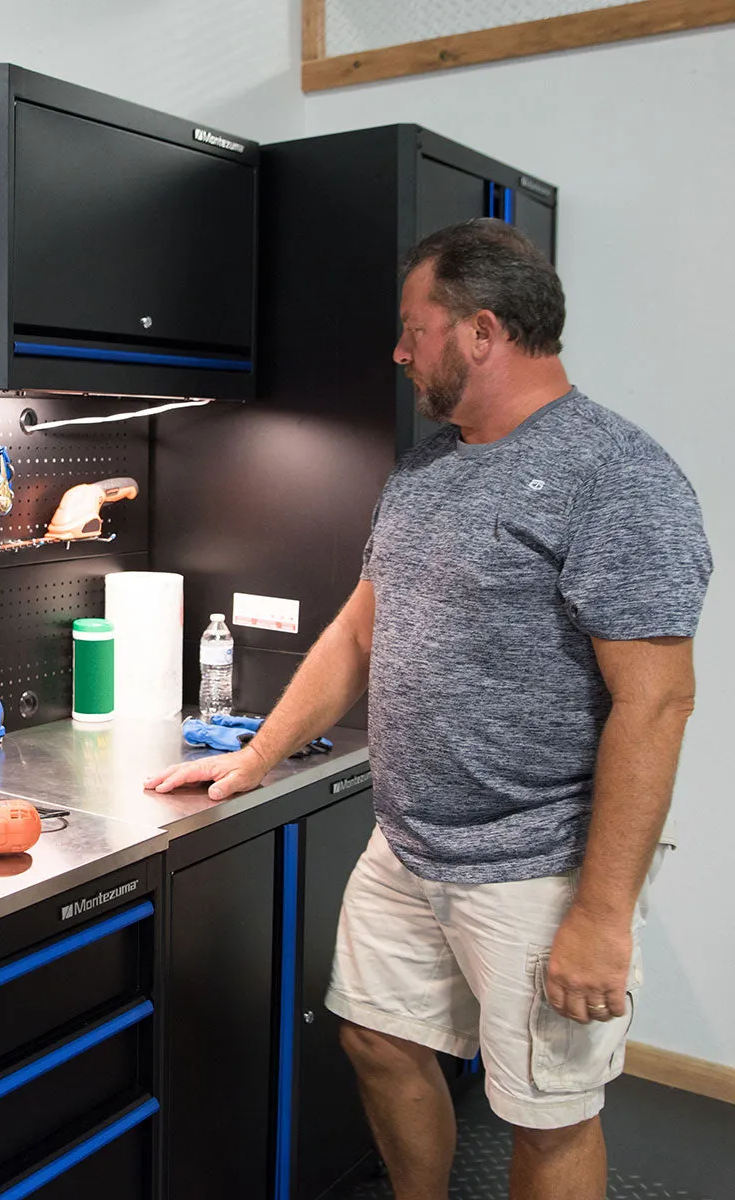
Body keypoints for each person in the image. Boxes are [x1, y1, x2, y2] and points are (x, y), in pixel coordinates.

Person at [144, 218, 712, 1200]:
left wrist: (602, 915)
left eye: (416, 329)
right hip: (408, 844)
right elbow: (359, 630)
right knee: (376, 1040)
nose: (399, 352)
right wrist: (257, 756)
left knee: (547, 1111)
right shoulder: (427, 468)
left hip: (540, 860)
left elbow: (658, 704)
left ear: (481, 332)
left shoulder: (616, 476)